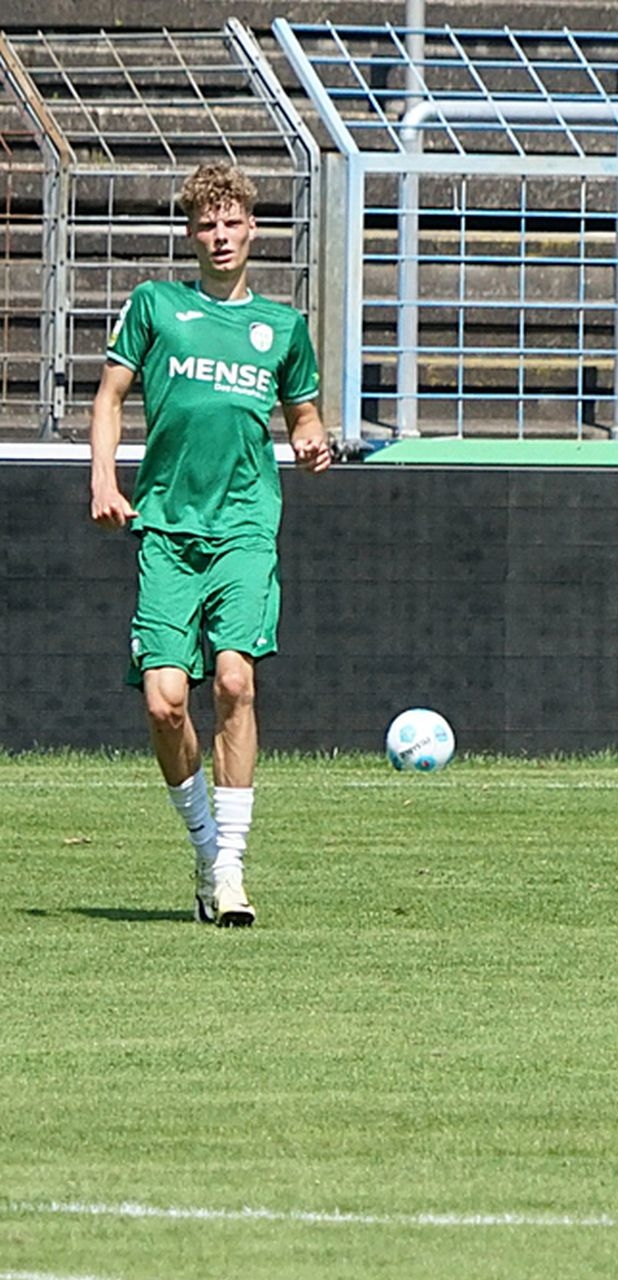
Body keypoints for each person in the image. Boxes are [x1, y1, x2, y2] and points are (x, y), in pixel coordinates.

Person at [88, 161, 331, 927]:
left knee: (233, 682)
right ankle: (203, 851)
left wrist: (312, 439)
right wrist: (104, 480)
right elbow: (110, 396)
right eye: (206, 225)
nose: (220, 236)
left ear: (252, 229)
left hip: (245, 526)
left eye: (231, 223)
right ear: (191, 235)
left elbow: (303, 416)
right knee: (165, 704)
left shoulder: (282, 328)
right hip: (165, 525)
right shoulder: (156, 306)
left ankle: (230, 866)